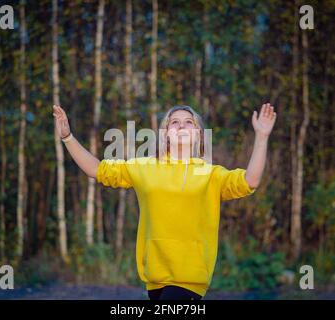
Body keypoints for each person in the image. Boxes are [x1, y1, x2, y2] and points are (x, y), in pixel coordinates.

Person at [52, 103, 277, 300]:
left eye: (188, 122)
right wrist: (67, 137)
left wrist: (262, 137)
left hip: (189, 277)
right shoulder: (145, 167)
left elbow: (251, 180)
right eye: (174, 122)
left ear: (198, 133)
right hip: (155, 276)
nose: (181, 126)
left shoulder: (211, 174)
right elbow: (96, 170)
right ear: (165, 133)